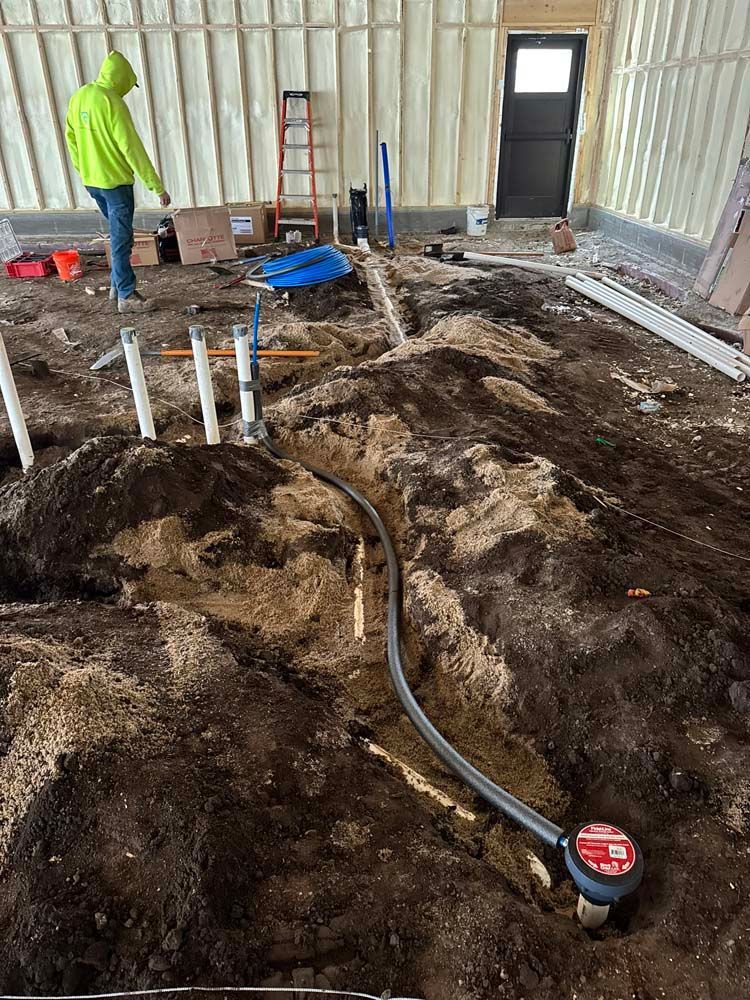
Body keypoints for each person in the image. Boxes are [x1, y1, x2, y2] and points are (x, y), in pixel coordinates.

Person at [65, 51, 171, 314]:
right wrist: (156, 186)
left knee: (117, 234)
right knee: (122, 239)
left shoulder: (80, 96)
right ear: (121, 79)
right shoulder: (112, 102)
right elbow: (131, 148)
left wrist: (83, 170)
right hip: (115, 184)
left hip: (93, 182)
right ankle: (126, 295)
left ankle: (116, 287)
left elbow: (71, 138)